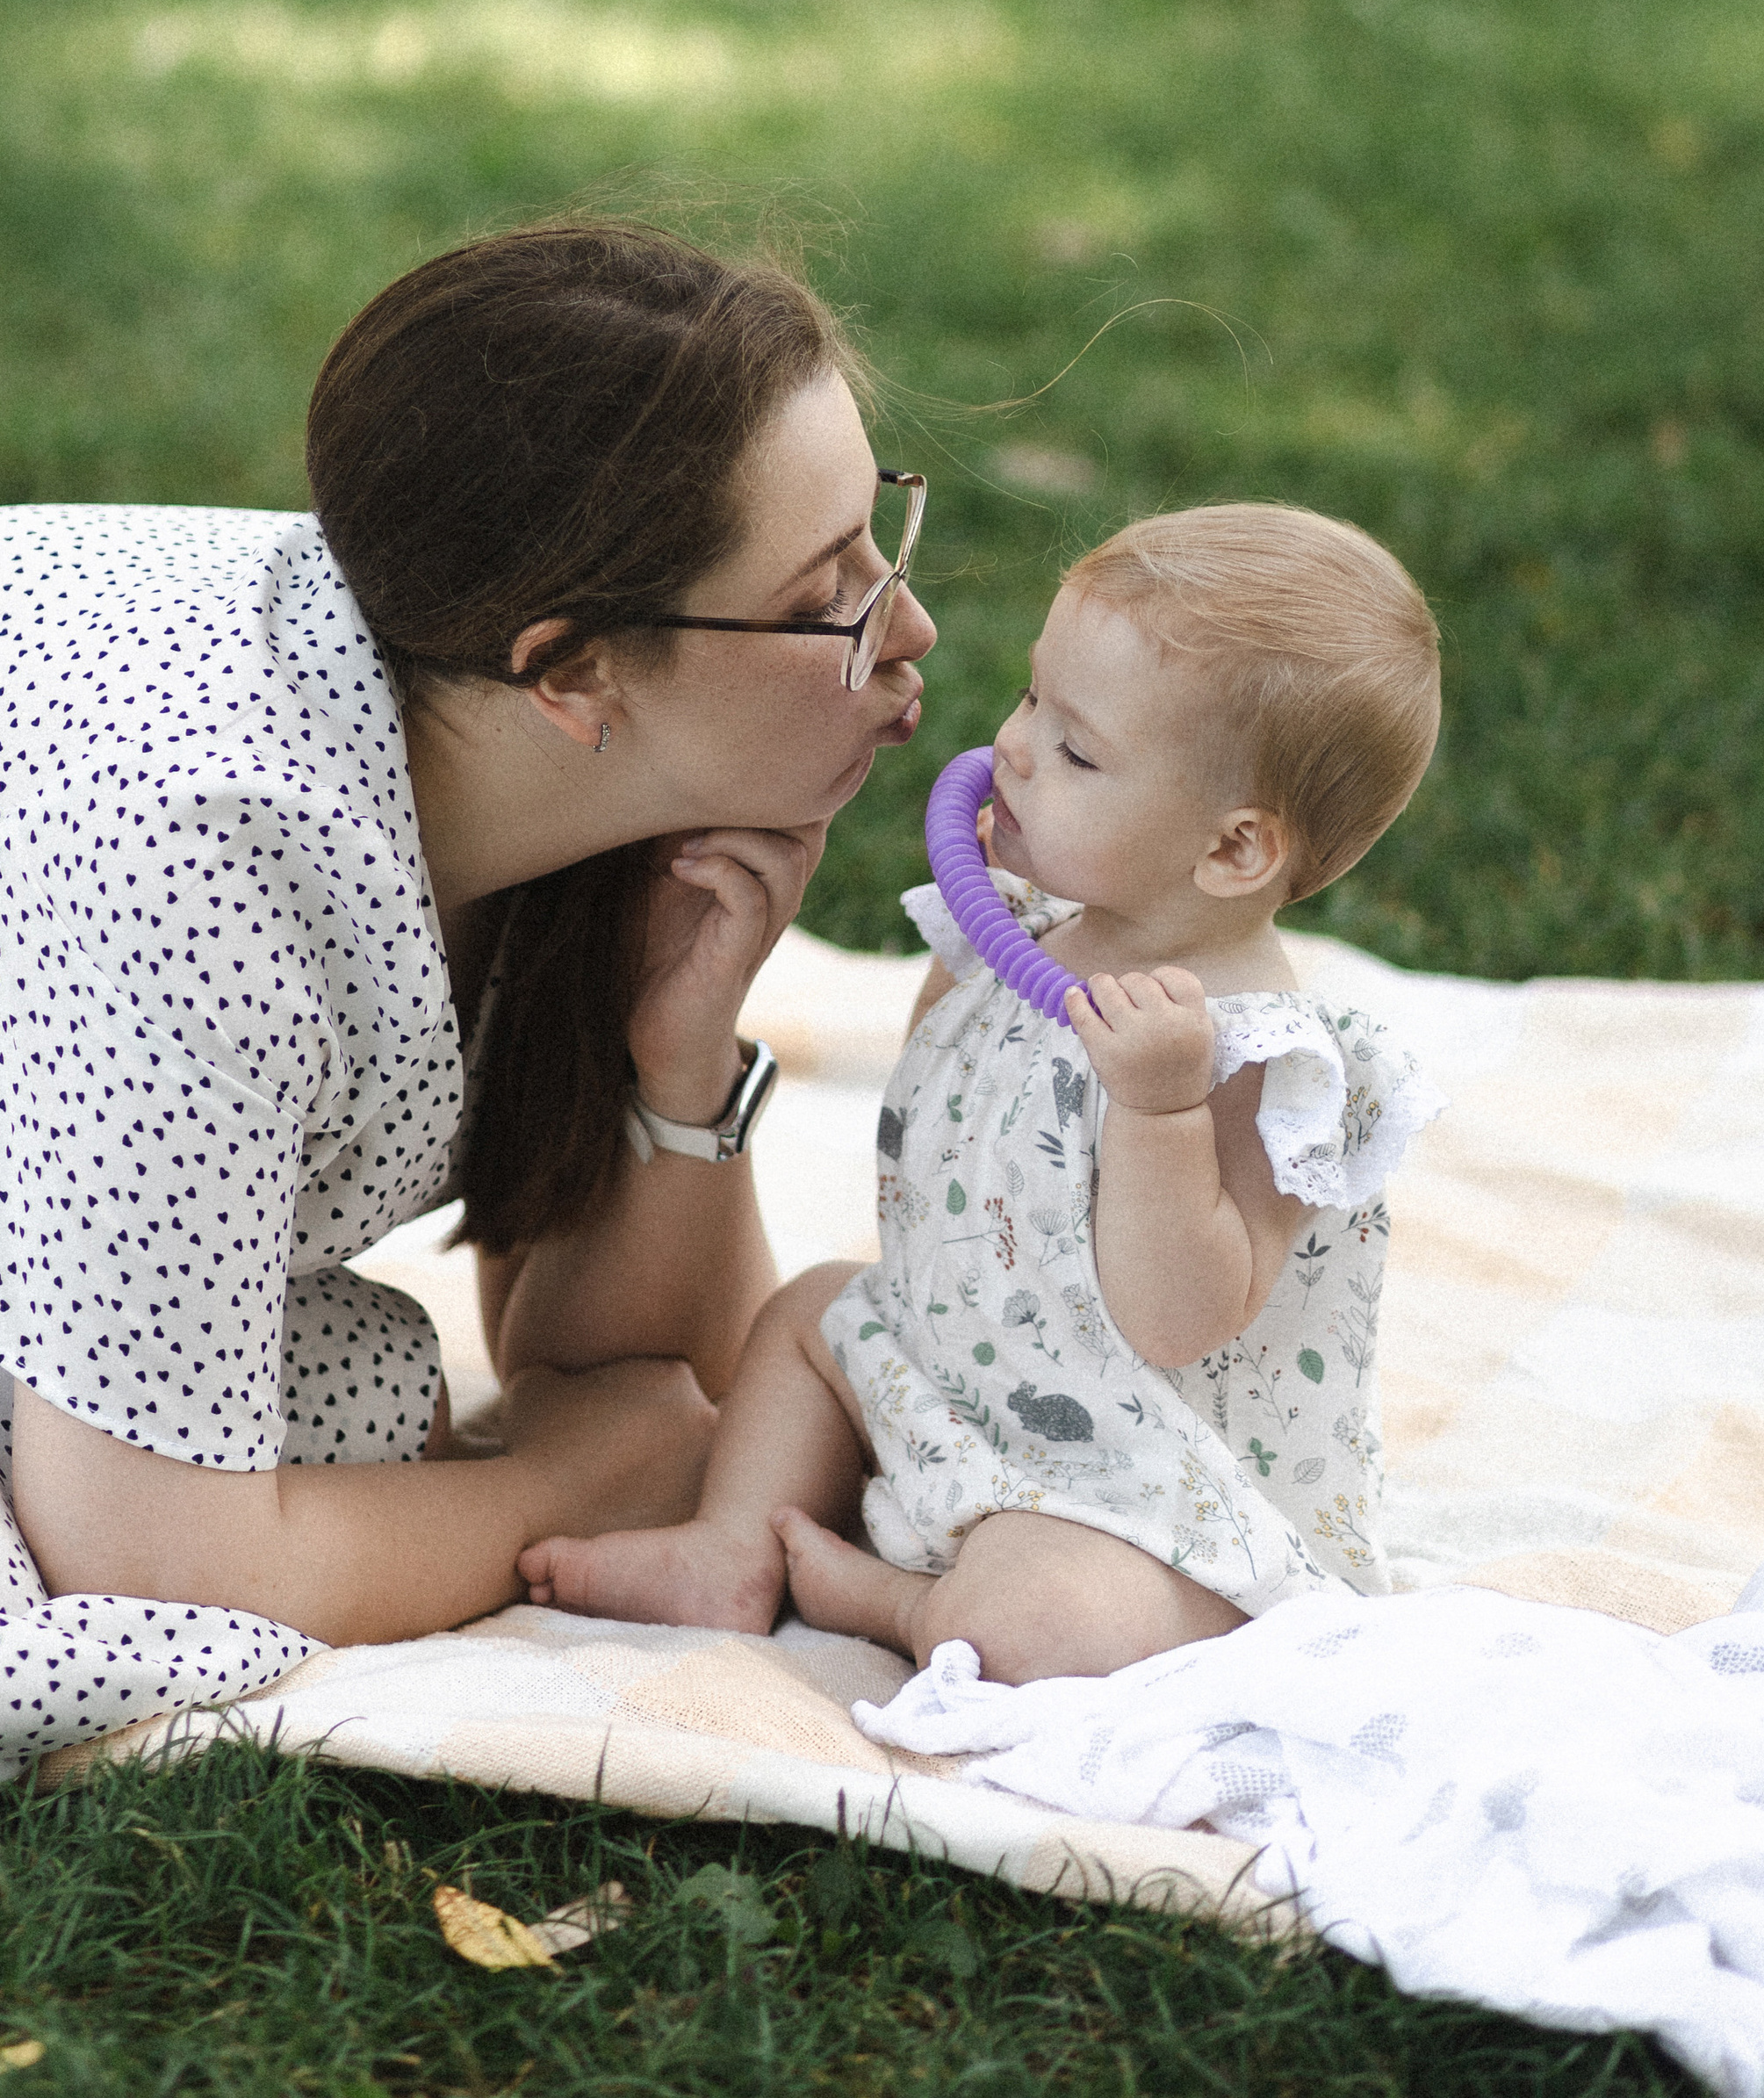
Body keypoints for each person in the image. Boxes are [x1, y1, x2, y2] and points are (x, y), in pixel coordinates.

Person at [0, 221, 935, 1875]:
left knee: (297, 1433)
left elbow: (662, 1373)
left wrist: (676, 1057)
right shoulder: (199, 871)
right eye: (826, 600)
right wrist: (564, 1487)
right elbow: (145, 1562)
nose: (912, 632)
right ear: (574, 674)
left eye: (882, 541)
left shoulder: (530, 736)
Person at [522, 503, 1444, 1684]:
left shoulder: (1263, 1063)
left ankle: (899, 1603)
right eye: (1029, 703)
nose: (1010, 749)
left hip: (1139, 1486)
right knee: (808, 1315)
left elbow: (1181, 1315)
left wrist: (1158, 1116)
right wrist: (964, 977)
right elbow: (941, 1128)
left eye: (1076, 750)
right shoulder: (1030, 935)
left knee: (1042, 1620)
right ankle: (728, 1545)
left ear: (1232, 853)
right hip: (976, 1374)